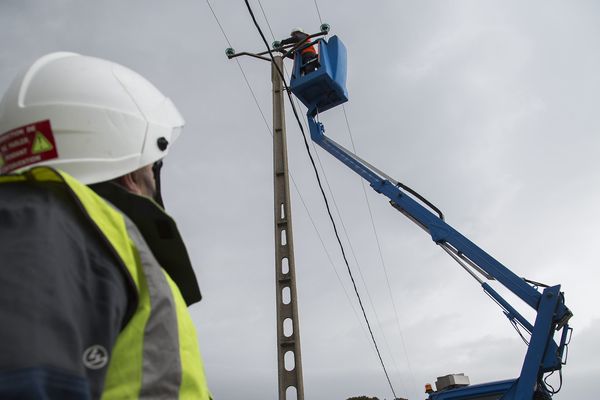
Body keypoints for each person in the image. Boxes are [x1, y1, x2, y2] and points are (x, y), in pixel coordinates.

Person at [0, 52, 211, 399]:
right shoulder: (49, 226)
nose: (154, 178)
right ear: (128, 166)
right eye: (152, 165)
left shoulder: (84, 239)